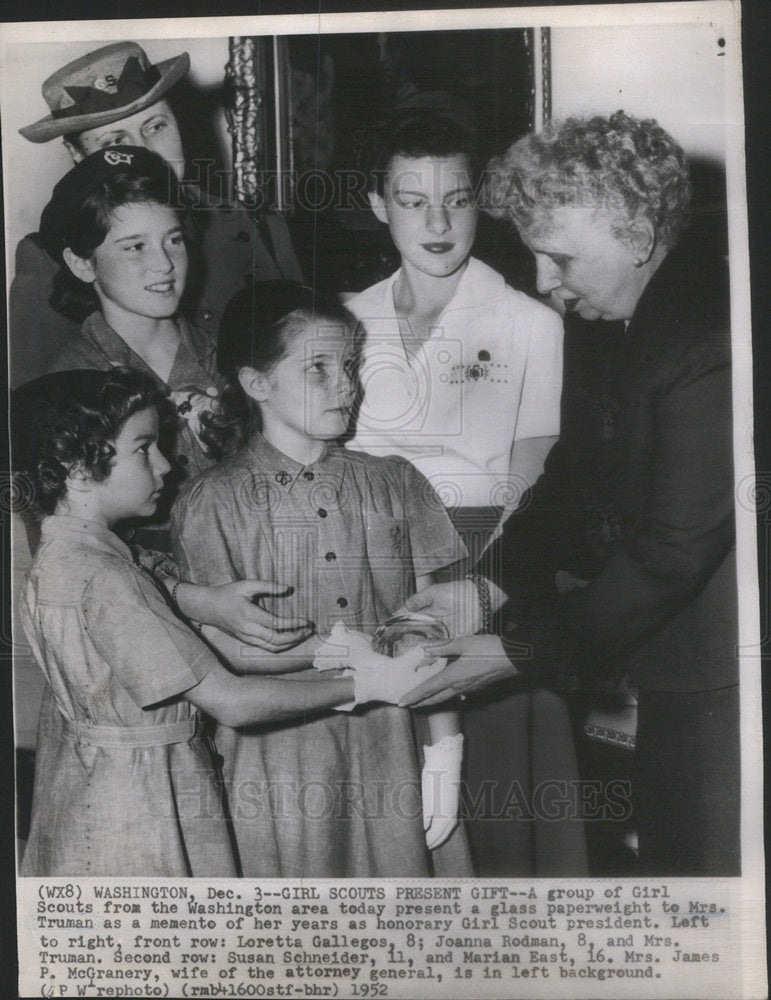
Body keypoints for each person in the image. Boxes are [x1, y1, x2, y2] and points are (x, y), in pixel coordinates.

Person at [400, 111, 738, 877]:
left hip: (727, 675)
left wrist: (519, 651)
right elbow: (573, 475)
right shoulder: (609, 321)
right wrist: (484, 586)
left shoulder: (709, 339)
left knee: (714, 895)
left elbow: (669, 555)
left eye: (558, 259)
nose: (545, 284)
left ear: (639, 237)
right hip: (668, 662)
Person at [14, 367, 415, 876]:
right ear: (78, 468)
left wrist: (326, 648)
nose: (165, 465)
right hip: (146, 802)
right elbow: (234, 702)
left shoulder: (65, 557)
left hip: (90, 788)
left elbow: (160, 623)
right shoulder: (108, 580)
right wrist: (367, 683)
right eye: (143, 447)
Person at [346, 98, 583, 876]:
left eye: (455, 199)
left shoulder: (530, 324)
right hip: (365, 579)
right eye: (413, 202)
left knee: (491, 828)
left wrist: (479, 586)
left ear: (478, 199)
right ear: (379, 204)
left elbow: (535, 477)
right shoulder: (344, 322)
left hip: (483, 573)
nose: (437, 222)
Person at [171, 280, 472, 877]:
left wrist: (445, 748)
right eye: (318, 369)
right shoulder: (213, 502)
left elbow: (441, 627)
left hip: (395, 741)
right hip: (278, 758)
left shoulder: (394, 481)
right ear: (257, 383)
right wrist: (335, 654)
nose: (346, 384)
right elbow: (218, 654)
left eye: (350, 365)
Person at [11, 41, 301, 388]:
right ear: (76, 154)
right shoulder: (51, 256)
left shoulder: (257, 225)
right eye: (115, 141)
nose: (146, 152)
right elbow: (36, 408)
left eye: (156, 127)